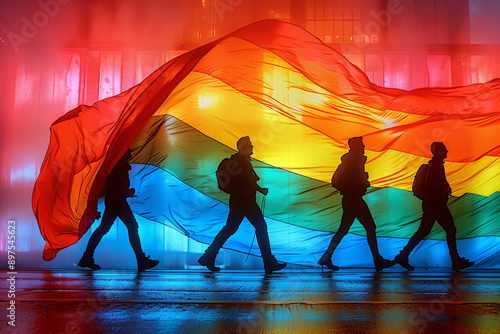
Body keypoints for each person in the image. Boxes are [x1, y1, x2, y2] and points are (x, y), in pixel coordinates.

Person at [198, 136, 287, 274]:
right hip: (244, 202)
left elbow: (248, 182)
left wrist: (259, 190)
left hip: (241, 201)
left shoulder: (242, 161)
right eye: (249, 145)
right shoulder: (239, 162)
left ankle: (208, 256)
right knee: (260, 226)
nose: (252, 147)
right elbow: (244, 183)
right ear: (244, 147)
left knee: (230, 228)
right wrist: (252, 190)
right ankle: (268, 262)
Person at [318, 137, 394, 271]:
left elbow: (336, 181)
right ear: (355, 147)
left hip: (350, 199)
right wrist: (356, 186)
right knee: (370, 227)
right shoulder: (353, 161)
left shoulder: (349, 161)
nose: (364, 147)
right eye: (361, 145)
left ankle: (326, 257)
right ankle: (377, 260)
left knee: (344, 230)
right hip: (354, 199)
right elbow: (348, 180)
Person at [394, 142, 474, 270]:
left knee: (423, 231)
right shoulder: (435, 166)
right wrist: (444, 188)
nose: (447, 152)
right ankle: (455, 260)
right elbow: (430, 182)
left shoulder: (436, 165)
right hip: (435, 204)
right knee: (450, 229)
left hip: (431, 204)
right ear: (439, 152)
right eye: (444, 150)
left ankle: (403, 256)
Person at [78, 149, 159, 272]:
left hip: (116, 200)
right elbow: (112, 182)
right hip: (117, 200)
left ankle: (87, 257)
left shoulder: (118, 164)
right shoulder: (117, 165)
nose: (131, 152)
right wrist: (126, 191)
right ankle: (141, 260)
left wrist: (126, 192)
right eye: (128, 150)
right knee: (131, 226)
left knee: (106, 228)